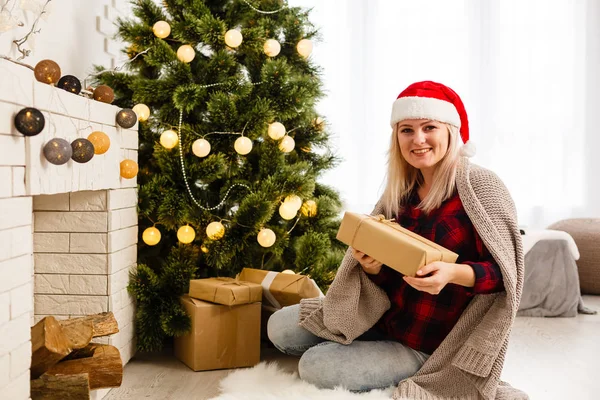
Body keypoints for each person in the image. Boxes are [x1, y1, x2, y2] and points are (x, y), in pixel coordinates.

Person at [267, 81, 527, 399]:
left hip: (432, 342)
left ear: (450, 132)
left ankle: (422, 366)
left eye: (429, 127)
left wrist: (453, 274)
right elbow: (391, 274)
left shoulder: (480, 186)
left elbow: (507, 275)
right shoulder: (401, 191)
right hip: (385, 318)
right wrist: (373, 267)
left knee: (316, 367)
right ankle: (357, 340)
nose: (418, 140)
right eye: (407, 130)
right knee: (278, 326)